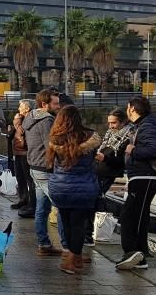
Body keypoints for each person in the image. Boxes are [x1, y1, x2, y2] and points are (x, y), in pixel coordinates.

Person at [46, 105, 100, 275]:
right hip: (84, 186)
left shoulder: (55, 139)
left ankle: (72, 256)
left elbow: (50, 164)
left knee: (66, 220)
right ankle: (73, 258)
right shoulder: (90, 137)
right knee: (78, 224)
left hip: (60, 187)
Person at [116, 96, 156, 271]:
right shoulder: (142, 126)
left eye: (127, 107)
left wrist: (134, 150)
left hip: (145, 177)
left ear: (132, 109)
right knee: (137, 214)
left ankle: (134, 253)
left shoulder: (147, 127)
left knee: (131, 215)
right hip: (141, 176)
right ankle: (139, 253)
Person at [23, 88, 65, 256]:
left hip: (34, 166)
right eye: (55, 103)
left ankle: (44, 243)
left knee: (42, 208)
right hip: (45, 168)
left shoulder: (30, 117)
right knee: (62, 206)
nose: (58, 106)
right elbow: (51, 147)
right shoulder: (47, 121)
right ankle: (68, 248)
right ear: (44, 104)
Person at [12, 100, 37, 217]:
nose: (18, 108)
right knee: (19, 177)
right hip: (18, 151)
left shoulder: (29, 118)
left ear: (27, 109)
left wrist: (16, 121)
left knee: (29, 179)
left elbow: (22, 131)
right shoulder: (22, 118)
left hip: (25, 152)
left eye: (21, 106)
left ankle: (32, 203)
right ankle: (23, 199)